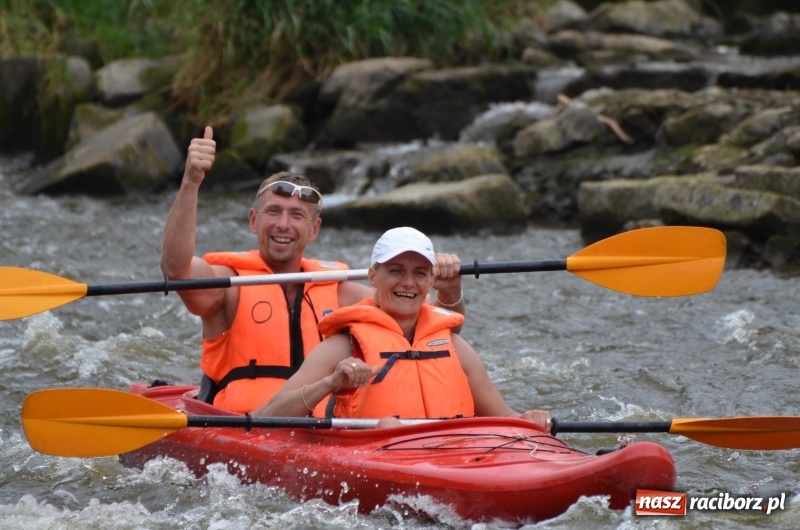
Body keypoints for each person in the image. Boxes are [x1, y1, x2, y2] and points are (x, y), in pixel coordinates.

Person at [161, 127, 466, 415]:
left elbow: (429, 327)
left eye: (297, 215)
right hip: (242, 427)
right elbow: (177, 269)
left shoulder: (340, 291)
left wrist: (450, 290)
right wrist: (191, 182)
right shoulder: (229, 285)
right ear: (253, 221)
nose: (284, 224)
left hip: (320, 431)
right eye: (273, 212)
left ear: (314, 229)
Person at [252, 227, 552, 432]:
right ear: (372, 276)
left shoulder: (455, 348)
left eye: (420, 273)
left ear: (431, 282)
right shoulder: (342, 346)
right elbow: (266, 417)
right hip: (377, 460)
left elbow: (507, 418)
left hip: (455, 456)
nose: (408, 283)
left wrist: (531, 420)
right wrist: (330, 382)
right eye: (396, 271)